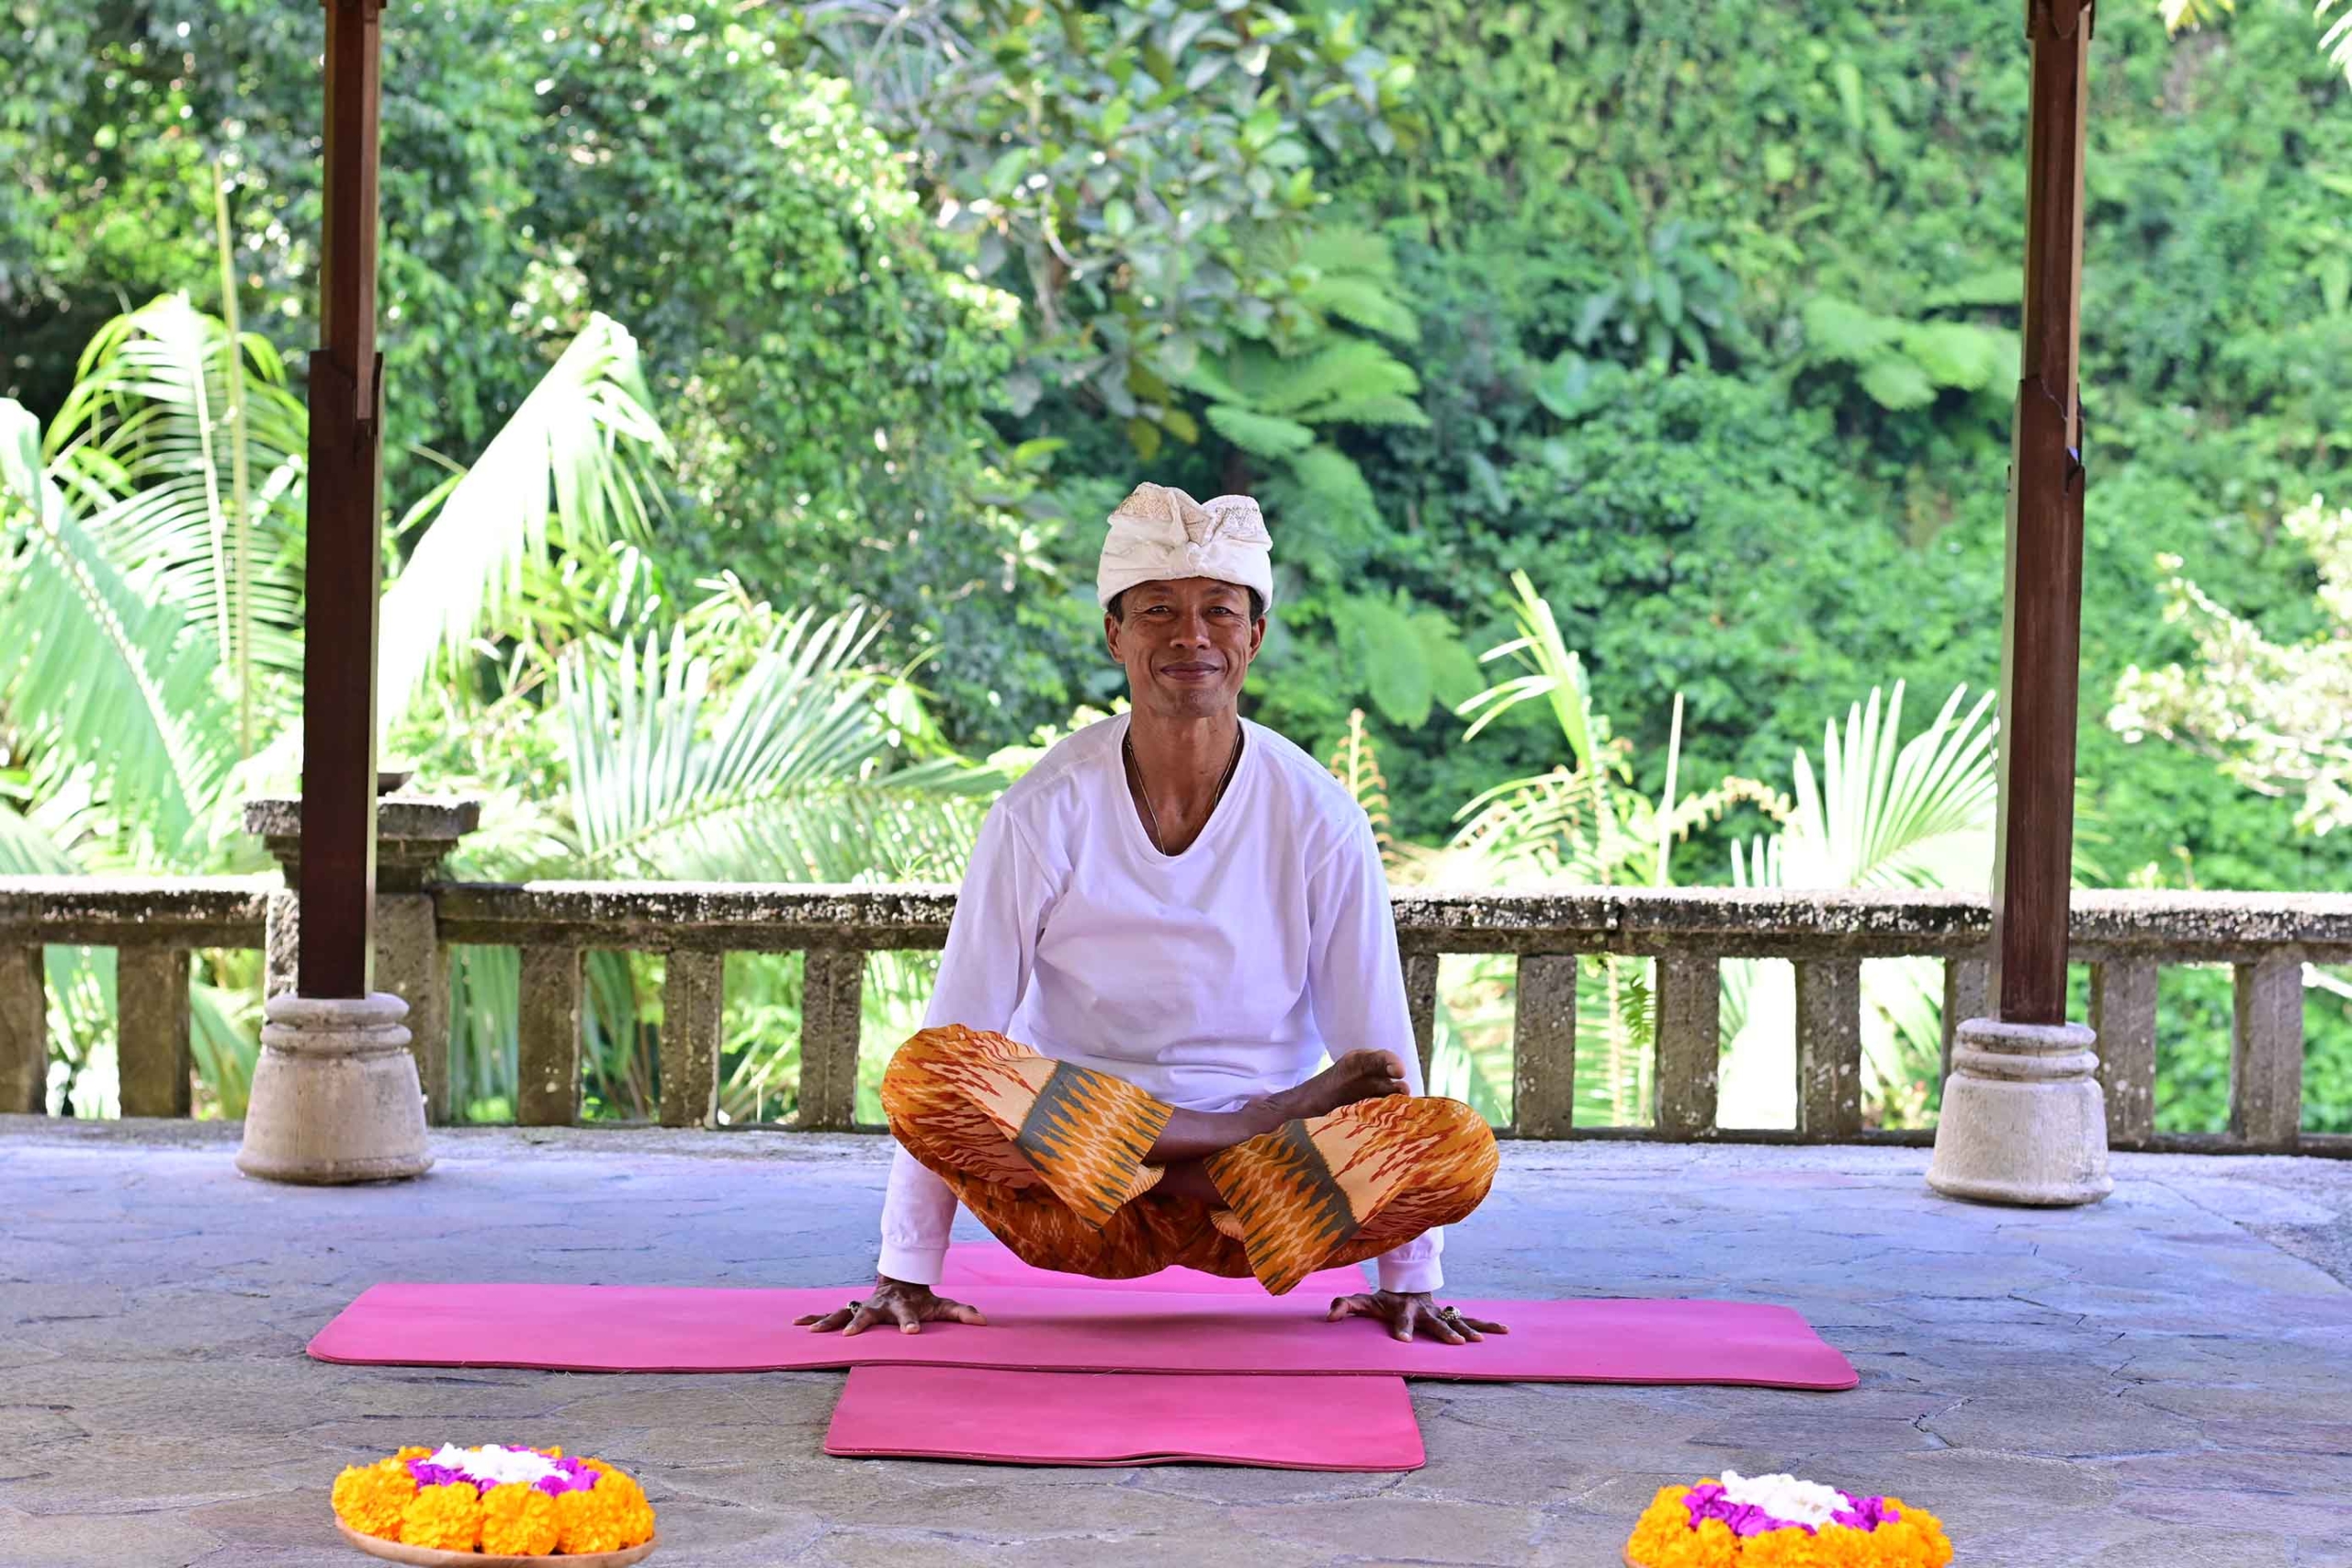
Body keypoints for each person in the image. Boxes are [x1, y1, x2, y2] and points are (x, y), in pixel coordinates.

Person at [798, 483, 1503, 1346]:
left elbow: (1380, 1053)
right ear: (1116, 634)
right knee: (926, 1073)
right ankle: (1223, 1139)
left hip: (1261, 1204)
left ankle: (1202, 1161)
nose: (1190, 635)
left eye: (1219, 611)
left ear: (1255, 636)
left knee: (1456, 1143)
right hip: (1078, 1197)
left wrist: (1410, 1277)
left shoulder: (1319, 816)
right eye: (1159, 609)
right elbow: (960, 1026)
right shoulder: (1042, 809)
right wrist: (905, 1267)